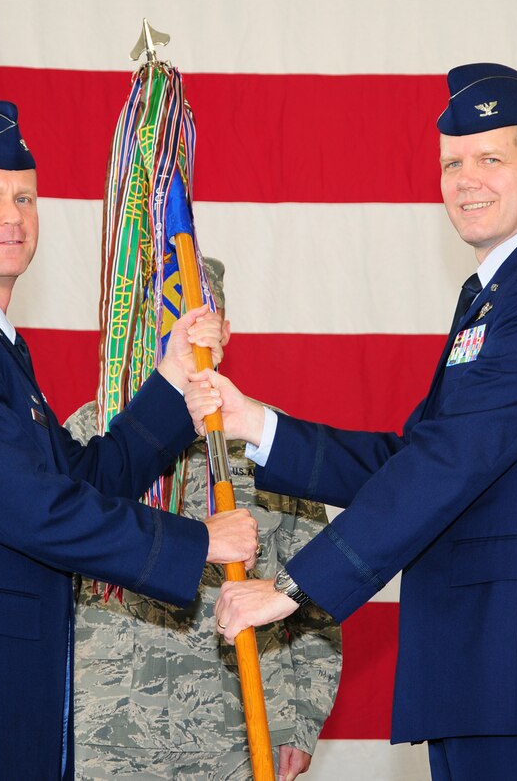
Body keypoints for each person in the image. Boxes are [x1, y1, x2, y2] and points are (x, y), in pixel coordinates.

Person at [199, 64, 517, 780]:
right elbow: (422, 458)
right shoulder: (499, 293)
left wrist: (290, 589)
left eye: (491, 158)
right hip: (485, 670)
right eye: (451, 162)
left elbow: (448, 464)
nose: (465, 178)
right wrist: (257, 423)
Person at [0, 101, 258, 781]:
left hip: (4, 676)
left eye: (25, 198)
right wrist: (198, 543)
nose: (12, 216)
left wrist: (171, 379)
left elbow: (82, 481)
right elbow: (28, 506)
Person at [67, 258, 342, 781]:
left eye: (203, 322)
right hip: (106, 731)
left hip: (236, 729)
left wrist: (302, 718)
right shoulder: (89, 440)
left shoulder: (267, 442)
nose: (187, 336)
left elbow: (317, 586)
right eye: (170, 322)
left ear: (228, 332)